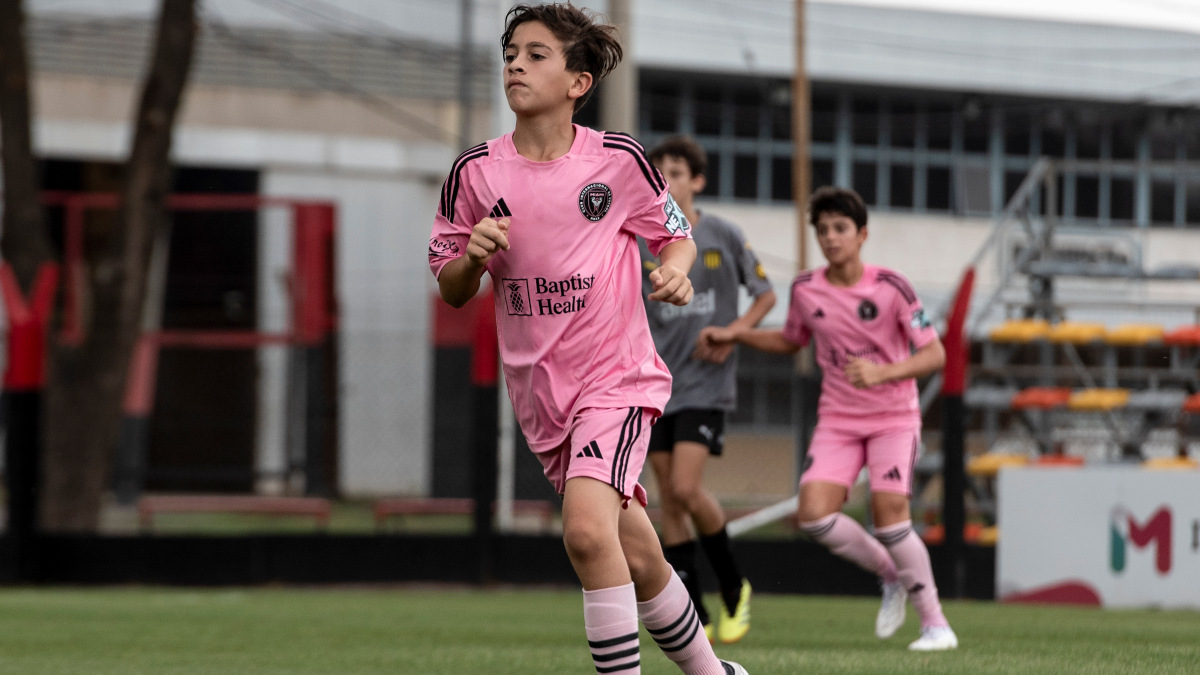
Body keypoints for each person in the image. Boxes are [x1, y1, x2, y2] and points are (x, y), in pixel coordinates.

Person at [428, 4, 748, 674]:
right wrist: (475, 256)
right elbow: (451, 285)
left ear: (578, 81)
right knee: (635, 550)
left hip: (618, 379)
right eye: (511, 51)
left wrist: (679, 276)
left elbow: (676, 236)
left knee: (583, 531)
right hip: (542, 398)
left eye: (536, 53)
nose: (515, 62)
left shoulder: (617, 159)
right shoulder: (475, 173)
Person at [700, 186, 959, 652]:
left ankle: (936, 625)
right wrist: (739, 334)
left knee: (890, 518)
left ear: (862, 235)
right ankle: (890, 573)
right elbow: (792, 340)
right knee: (814, 515)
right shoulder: (805, 288)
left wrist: (884, 371)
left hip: (893, 419)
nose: (831, 238)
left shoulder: (892, 287)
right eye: (823, 231)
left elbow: (935, 353)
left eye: (840, 229)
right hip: (838, 419)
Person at [638, 136, 775, 644]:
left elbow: (765, 295)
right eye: (659, 173)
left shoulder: (721, 234)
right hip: (656, 385)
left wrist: (734, 333)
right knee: (670, 503)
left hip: (706, 384)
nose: (666, 181)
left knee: (684, 489)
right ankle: (693, 608)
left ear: (696, 181)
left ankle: (735, 586)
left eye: (676, 172)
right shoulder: (640, 243)